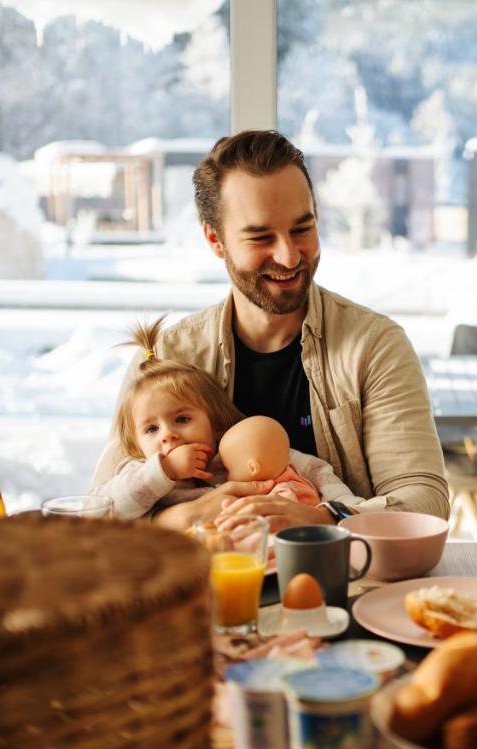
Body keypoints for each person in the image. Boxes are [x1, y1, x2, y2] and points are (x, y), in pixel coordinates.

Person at [90, 130, 449, 531]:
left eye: (302, 229)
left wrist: (321, 517)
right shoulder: (166, 356)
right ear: (216, 239)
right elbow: (97, 515)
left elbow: (424, 499)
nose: (289, 255)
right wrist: (188, 514)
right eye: (261, 236)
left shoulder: (375, 346)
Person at [94, 319, 361, 521]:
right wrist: (164, 471)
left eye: (182, 419)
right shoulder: (139, 472)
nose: (168, 435)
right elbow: (107, 510)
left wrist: (344, 509)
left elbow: (313, 469)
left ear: (216, 424)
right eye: (151, 429)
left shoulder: (237, 450)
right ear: (136, 442)